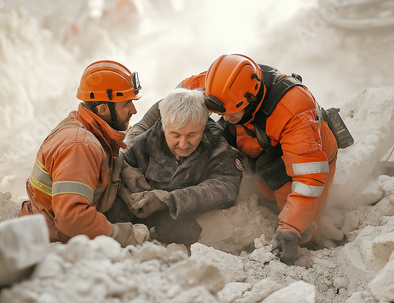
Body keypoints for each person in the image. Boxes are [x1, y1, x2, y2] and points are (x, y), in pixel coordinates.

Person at [128, 54, 339, 265]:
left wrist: (291, 229)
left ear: (251, 100)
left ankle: (317, 238)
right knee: (261, 188)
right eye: (222, 112)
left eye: (231, 113)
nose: (225, 118)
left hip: (305, 159)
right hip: (256, 141)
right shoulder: (218, 86)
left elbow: (308, 180)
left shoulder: (293, 111)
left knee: (305, 227)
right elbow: (171, 104)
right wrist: (132, 138)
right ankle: (264, 192)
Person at [20, 60, 150, 247]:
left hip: (45, 223)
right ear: (103, 109)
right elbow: (71, 217)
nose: (134, 110)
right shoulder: (80, 146)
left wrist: (122, 168)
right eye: (127, 103)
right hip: (52, 238)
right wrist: (119, 233)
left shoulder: (83, 124)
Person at [117, 88, 243, 246]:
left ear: (203, 127)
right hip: (141, 227)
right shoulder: (141, 144)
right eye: (175, 135)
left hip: (190, 226)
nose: (183, 144)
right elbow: (116, 172)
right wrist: (126, 194)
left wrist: (168, 200)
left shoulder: (217, 145)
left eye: (192, 135)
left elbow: (226, 187)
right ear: (163, 126)